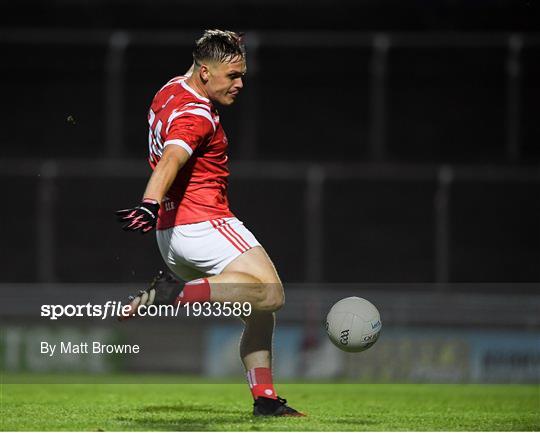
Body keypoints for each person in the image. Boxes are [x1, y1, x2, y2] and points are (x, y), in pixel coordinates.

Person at [116, 29, 303, 417]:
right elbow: (171, 158)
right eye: (232, 75)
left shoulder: (169, 90)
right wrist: (149, 202)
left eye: (242, 75)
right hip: (201, 222)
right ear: (204, 73)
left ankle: (265, 399)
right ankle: (174, 294)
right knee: (272, 294)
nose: (239, 84)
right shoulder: (196, 115)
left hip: (171, 238)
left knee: (258, 310)